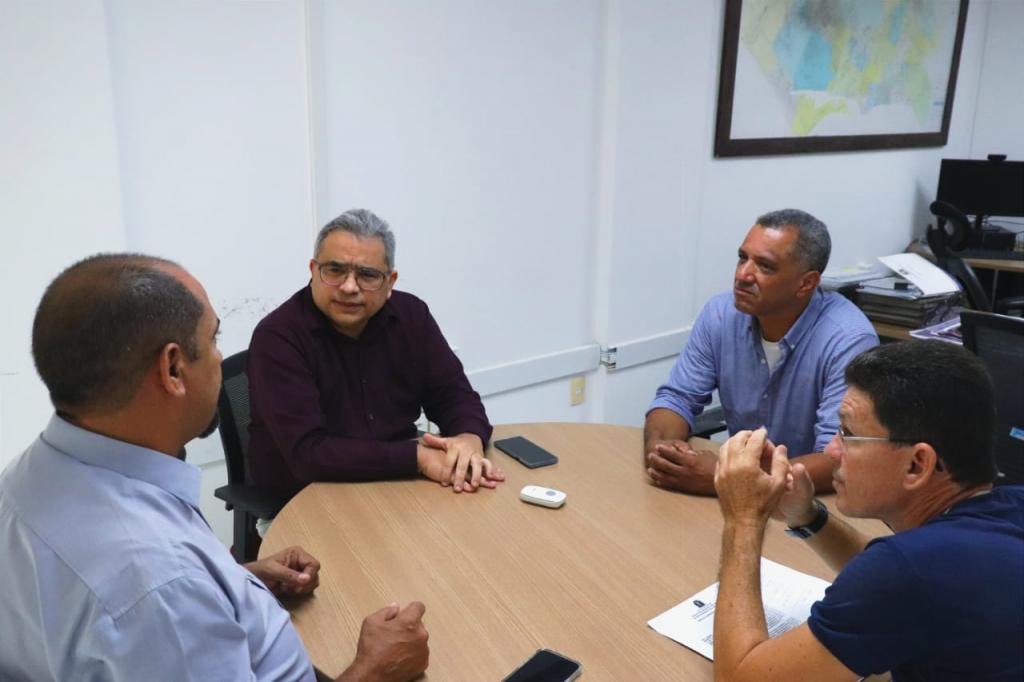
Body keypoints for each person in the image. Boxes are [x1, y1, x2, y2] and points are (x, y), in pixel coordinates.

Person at [0, 254, 429, 681]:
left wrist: (231, 580)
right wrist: (375, 669)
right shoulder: (160, 584)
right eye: (212, 340)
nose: (220, 357)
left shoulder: (23, 481)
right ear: (173, 369)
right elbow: (155, 600)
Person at [712, 341, 1024, 682]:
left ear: (917, 464)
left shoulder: (908, 571)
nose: (831, 450)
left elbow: (740, 678)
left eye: (847, 434)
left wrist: (743, 518)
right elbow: (907, 578)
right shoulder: (1007, 509)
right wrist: (806, 516)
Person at [247, 208, 504, 500]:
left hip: (399, 482)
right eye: (334, 270)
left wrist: (468, 439)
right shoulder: (278, 336)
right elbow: (309, 453)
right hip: (304, 497)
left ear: (390, 282)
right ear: (313, 270)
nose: (349, 287)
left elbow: (454, 396)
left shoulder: (412, 317)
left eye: (367, 275)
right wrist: (418, 458)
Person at [644, 208, 877, 495]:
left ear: (806, 283)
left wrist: (724, 477)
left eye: (765, 266)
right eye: (743, 258)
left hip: (810, 501)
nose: (742, 275)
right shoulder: (720, 314)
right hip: (738, 496)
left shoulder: (847, 340)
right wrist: (661, 452)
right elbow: (677, 398)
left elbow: (837, 460)